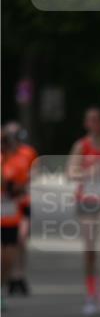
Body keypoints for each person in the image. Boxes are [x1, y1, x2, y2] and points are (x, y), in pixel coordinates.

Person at [67, 107, 100, 315]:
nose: (94, 123)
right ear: (86, 123)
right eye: (90, 120)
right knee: (90, 251)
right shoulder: (81, 146)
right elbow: (70, 173)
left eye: (97, 119)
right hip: (87, 201)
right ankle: (90, 295)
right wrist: (90, 172)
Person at [4, 122, 37, 295]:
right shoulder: (3, 156)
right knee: (6, 245)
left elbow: (32, 175)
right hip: (6, 205)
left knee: (21, 239)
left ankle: (19, 274)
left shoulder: (28, 153)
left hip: (21, 202)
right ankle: (8, 276)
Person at [1, 125, 31, 309]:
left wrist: (13, 188)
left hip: (11, 215)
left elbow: (23, 185)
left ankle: (6, 283)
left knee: (8, 257)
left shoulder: (18, 160)